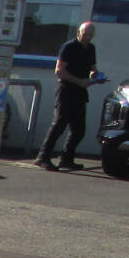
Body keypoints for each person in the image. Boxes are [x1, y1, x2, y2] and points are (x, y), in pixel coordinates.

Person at [36, 21, 99, 171]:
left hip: (80, 93)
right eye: (85, 34)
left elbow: (92, 68)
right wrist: (79, 81)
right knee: (59, 125)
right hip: (66, 90)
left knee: (79, 130)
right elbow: (59, 71)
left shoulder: (91, 48)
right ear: (79, 32)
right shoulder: (69, 47)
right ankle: (43, 157)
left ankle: (67, 159)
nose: (88, 37)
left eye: (91, 35)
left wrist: (94, 76)